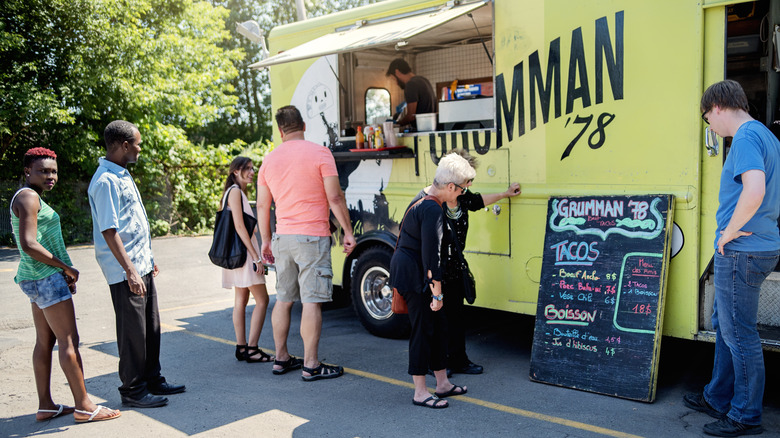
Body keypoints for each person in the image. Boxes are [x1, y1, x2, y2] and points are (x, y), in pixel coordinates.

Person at [683, 80, 780, 437]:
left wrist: (728, 232)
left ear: (718, 107)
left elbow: (755, 189)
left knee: (739, 334)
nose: (710, 126)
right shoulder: (767, 136)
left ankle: (744, 415)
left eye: (708, 117)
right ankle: (717, 396)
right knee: (725, 325)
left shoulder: (745, 138)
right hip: (758, 247)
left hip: (742, 252)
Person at [10, 147, 122, 424]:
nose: (50, 176)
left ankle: (46, 405)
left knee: (45, 341)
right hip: (45, 277)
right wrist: (66, 268)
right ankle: (84, 406)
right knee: (69, 341)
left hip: (36, 277)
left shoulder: (29, 196)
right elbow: (29, 243)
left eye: (53, 172)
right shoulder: (27, 197)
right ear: (27, 171)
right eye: (43, 171)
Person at [88, 120, 185, 408]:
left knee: (150, 328)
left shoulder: (121, 174)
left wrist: (147, 260)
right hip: (125, 270)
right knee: (133, 333)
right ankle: (133, 390)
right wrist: (130, 269)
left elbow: (133, 221)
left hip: (140, 263)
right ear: (125, 145)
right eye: (138, 143)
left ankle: (152, 378)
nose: (141, 148)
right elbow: (109, 230)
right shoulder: (105, 181)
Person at [257, 105, 356, 381]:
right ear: (303, 125)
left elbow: (264, 206)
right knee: (312, 301)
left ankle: (281, 357)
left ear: (280, 130)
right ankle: (311, 364)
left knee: (284, 299)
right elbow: (335, 198)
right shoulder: (320, 153)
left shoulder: (269, 160)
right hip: (312, 236)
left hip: (282, 238)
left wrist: (266, 241)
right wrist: (347, 231)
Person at [413, 150, 521, 376]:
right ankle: (441, 365)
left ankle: (459, 359)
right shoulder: (434, 201)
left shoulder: (463, 197)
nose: (468, 185)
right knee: (438, 320)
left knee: (457, 317)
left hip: (455, 267)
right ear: (452, 182)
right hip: (437, 268)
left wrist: (505, 194)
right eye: (465, 182)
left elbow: (480, 201)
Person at [390, 153, 475, 409]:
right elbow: (431, 256)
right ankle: (419, 391)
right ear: (451, 187)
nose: (461, 195)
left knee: (439, 327)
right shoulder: (431, 208)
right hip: (414, 276)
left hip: (414, 270)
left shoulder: (426, 196)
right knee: (423, 329)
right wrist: (437, 294)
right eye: (461, 190)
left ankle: (442, 383)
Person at [219, 156, 273, 363]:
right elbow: (240, 227)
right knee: (263, 299)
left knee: (241, 301)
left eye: (252, 168)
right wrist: (256, 257)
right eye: (247, 169)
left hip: (238, 254)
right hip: (245, 254)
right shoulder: (235, 192)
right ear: (235, 171)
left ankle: (242, 348)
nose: (252, 172)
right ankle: (252, 349)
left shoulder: (233, 193)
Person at [386, 58, 437, 128]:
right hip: (431, 127)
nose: (396, 83)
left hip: (421, 130)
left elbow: (411, 116)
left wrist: (396, 124)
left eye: (394, 79)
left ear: (397, 72)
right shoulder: (423, 80)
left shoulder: (410, 85)